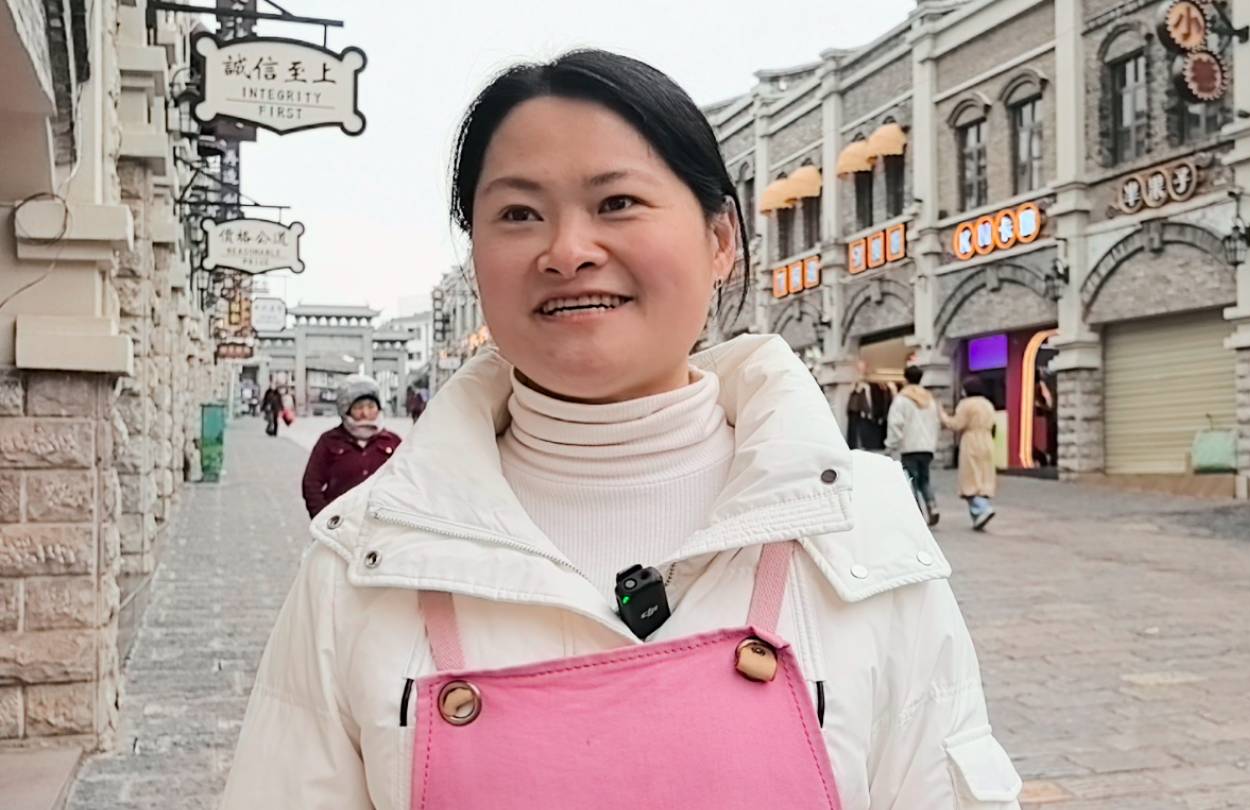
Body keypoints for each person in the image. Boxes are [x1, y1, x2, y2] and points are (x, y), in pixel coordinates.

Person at [221, 50, 1019, 810]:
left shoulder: (862, 534)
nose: (568, 251)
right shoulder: (361, 564)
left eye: (617, 204)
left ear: (720, 239)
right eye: (519, 213)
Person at [300, 375, 402, 518]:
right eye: (358, 407)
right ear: (346, 409)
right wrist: (323, 518)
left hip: (382, 524)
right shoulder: (329, 441)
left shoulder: (393, 442)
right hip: (341, 522)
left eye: (371, 406)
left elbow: (407, 482)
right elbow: (311, 483)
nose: (365, 413)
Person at [885, 365, 941, 527]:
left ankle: (917, 515)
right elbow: (936, 423)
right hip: (927, 448)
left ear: (906, 379)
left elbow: (896, 424)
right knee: (925, 480)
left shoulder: (902, 399)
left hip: (909, 447)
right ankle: (932, 506)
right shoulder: (930, 400)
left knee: (911, 482)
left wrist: (891, 445)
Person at [942, 375, 999, 530]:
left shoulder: (966, 404)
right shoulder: (987, 404)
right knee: (984, 476)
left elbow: (956, 424)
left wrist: (943, 417)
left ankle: (982, 508)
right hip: (987, 440)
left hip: (971, 441)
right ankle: (977, 517)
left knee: (970, 477)